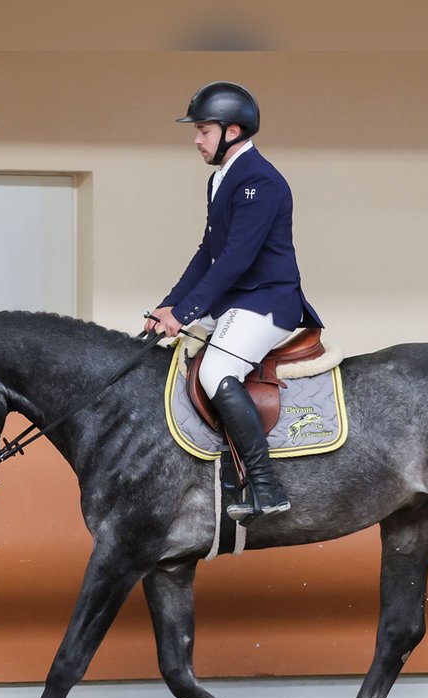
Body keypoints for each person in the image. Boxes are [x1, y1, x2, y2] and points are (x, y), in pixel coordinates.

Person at [145, 81, 323, 522]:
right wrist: (167, 307)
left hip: (267, 302)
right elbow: (207, 254)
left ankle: (266, 485)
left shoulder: (260, 180)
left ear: (234, 130)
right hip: (236, 302)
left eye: (204, 130)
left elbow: (236, 261)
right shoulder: (220, 179)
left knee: (217, 369)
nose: (196, 139)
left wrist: (185, 313)